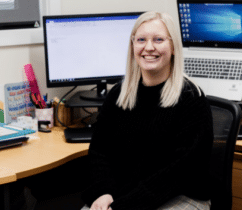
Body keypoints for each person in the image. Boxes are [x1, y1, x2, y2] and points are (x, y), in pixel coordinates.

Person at [81, 11, 214, 210]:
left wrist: (126, 205)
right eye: (141, 39)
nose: (149, 47)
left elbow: (179, 172)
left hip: (182, 195)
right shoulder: (119, 94)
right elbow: (100, 152)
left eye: (159, 40)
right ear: (132, 45)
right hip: (125, 194)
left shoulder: (191, 98)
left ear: (173, 47)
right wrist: (103, 192)